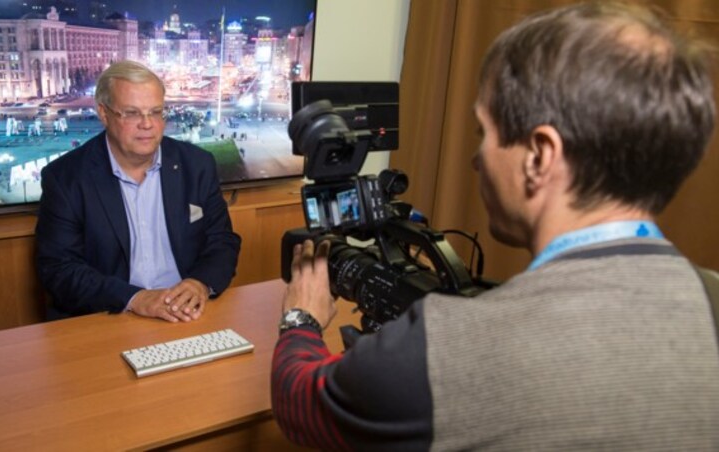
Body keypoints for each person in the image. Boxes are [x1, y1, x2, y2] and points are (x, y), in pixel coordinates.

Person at [271, 2, 719, 450]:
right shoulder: (711, 299)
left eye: (486, 133)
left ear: (540, 156)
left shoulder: (450, 350)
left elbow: (301, 402)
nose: (477, 158)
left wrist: (301, 317)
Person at [36, 60, 241, 322]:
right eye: (132, 113)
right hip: (111, 316)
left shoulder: (197, 165)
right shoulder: (66, 178)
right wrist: (136, 298)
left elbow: (222, 241)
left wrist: (199, 283)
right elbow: (58, 269)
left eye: (156, 112)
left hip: (187, 313)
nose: (147, 124)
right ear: (104, 113)